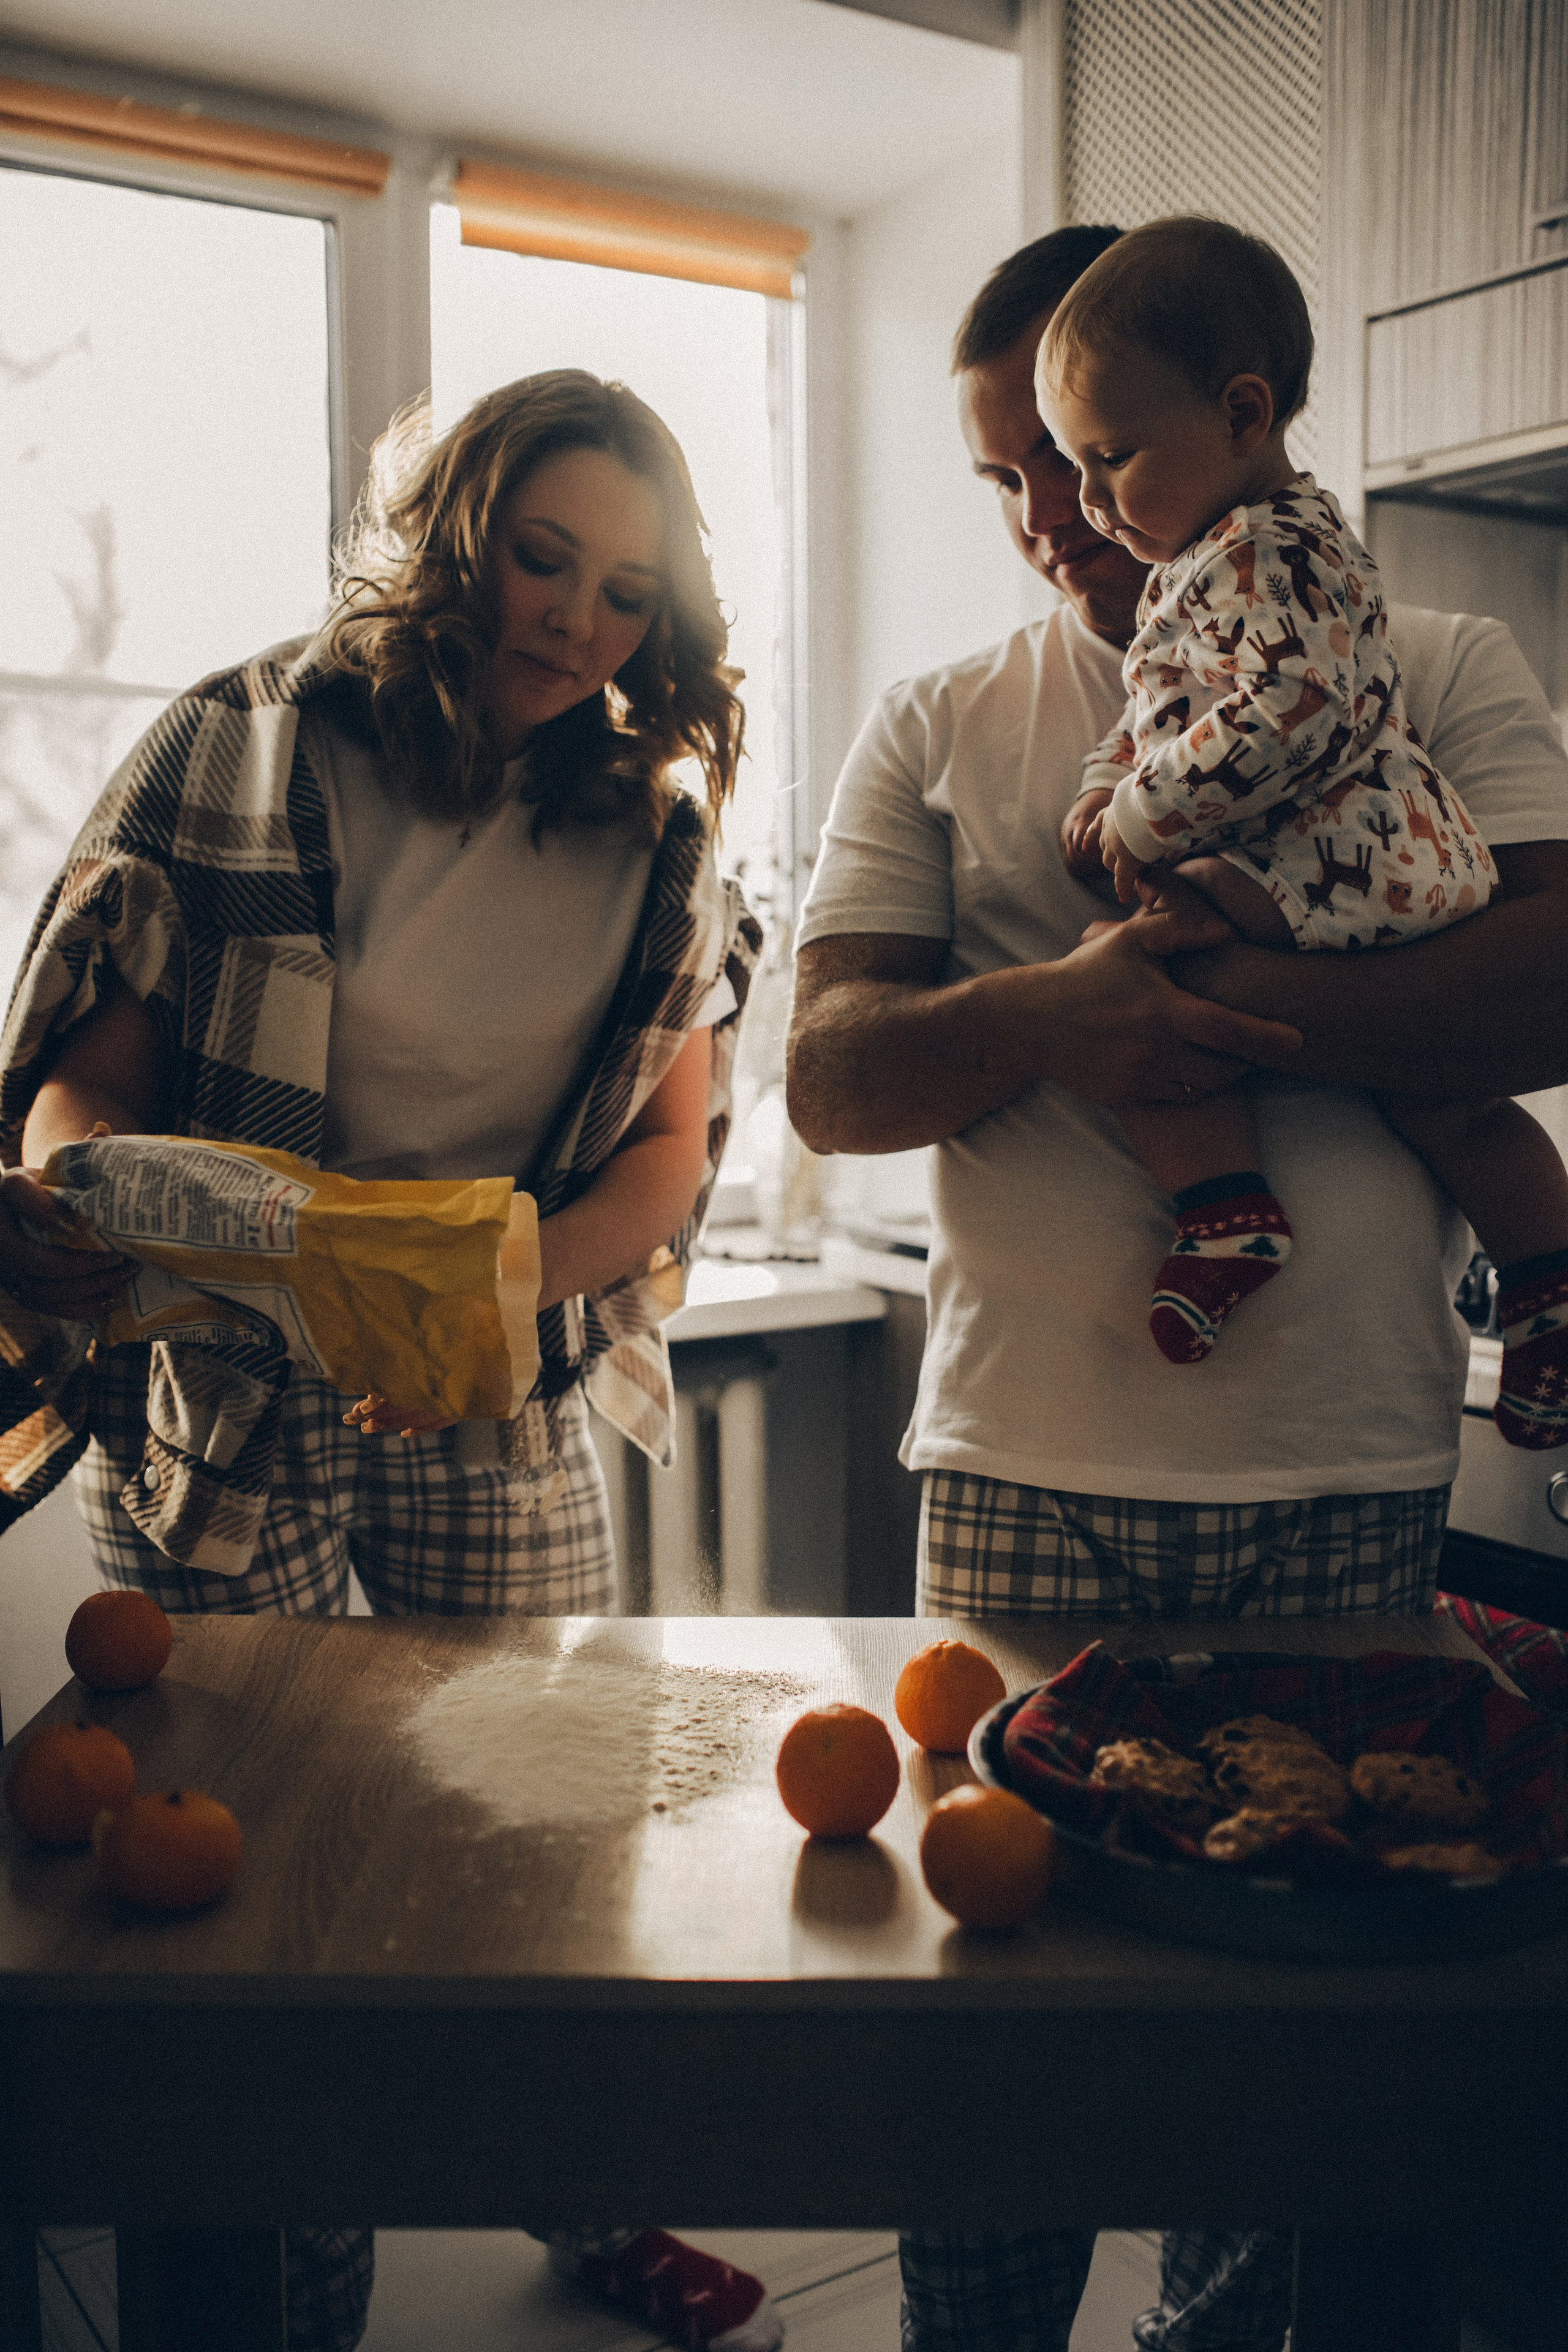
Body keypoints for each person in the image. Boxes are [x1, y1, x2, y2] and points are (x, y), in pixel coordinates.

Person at [786, 224, 1568, 2352]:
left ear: (1209, 423)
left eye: (1081, 460)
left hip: (1338, 1478)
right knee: (991, 2045)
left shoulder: (1445, 659)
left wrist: (1216, 1010)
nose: (1055, 521)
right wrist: (1054, 1014)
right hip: (1023, 1478)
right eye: (1008, 476)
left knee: (1287, 2101)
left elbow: (1553, 978)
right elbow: (833, 1079)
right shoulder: (944, 721)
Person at [0, 372, 780, 2352]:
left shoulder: (655, 830)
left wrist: (481, 1308)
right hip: (226, 1391)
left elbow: (668, 1161)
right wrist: (299, 1252)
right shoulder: (237, 748)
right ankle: (278, 2281)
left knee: (538, 1840)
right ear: (452, 529)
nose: (576, 623)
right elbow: (68, 1130)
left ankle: (598, 2201)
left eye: (625, 590)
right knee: (227, 1870)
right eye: (539, 559)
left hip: (490, 1393)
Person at [1036, 216, 1568, 1440]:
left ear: (1239, 412)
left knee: (1130, 983)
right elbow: (1171, 700)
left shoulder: (1279, 547)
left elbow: (1291, 707)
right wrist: (1105, 776)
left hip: (1352, 858)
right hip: (1341, 861)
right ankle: (1541, 1282)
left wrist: (1136, 805)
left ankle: (1226, 1209)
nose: (1083, 501)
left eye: (1108, 455)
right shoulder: (1215, 552)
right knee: (1444, 1102)